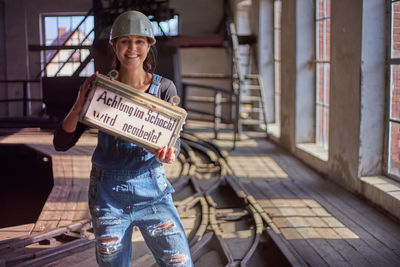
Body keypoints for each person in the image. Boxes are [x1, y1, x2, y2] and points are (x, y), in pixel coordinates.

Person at [53, 10, 193, 267]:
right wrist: (78, 104)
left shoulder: (164, 89)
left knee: (179, 262)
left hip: (153, 192)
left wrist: (170, 152)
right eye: (125, 41)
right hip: (108, 196)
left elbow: (175, 141)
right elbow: (62, 142)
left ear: (149, 45)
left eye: (139, 41)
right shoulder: (101, 89)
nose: (132, 48)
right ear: (114, 46)